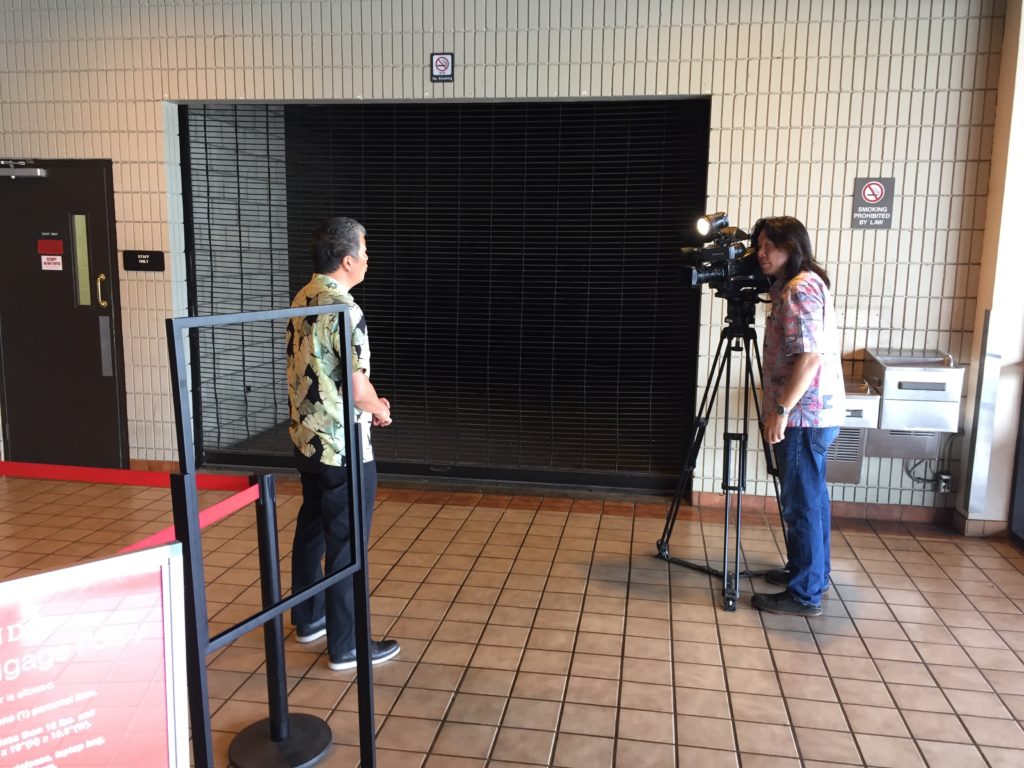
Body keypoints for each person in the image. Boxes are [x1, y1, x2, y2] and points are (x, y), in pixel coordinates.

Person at [286, 216, 400, 669]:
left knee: (311, 529)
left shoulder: (304, 296)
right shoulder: (344, 310)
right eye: (365, 251)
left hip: (307, 438)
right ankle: (348, 645)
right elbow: (355, 386)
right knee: (347, 542)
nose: (369, 259)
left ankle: (308, 618)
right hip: (343, 443)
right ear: (348, 259)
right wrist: (378, 407)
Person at [751, 216, 845, 618]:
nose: (761, 253)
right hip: (816, 415)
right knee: (814, 500)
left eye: (771, 245)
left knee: (802, 503)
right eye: (759, 246)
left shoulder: (797, 290)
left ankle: (805, 593)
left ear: (793, 247)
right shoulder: (804, 284)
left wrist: (781, 411)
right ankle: (810, 573)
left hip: (804, 417)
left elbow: (809, 357)